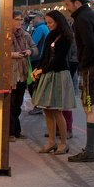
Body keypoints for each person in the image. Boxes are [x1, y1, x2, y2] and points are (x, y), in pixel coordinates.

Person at [63, 0, 94, 163]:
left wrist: (83, 64)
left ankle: (90, 150)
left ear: (77, 3)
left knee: (90, 105)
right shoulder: (93, 15)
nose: (66, 8)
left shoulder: (82, 19)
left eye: (68, 4)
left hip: (93, 67)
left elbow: (90, 44)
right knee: (92, 104)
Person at [31, 10, 75, 155]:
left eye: (50, 22)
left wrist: (41, 71)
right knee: (47, 109)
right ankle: (52, 142)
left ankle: (64, 142)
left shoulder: (65, 37)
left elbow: (58, 60)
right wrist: (37, 68)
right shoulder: (50, 35)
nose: (48, 25)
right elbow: (44, 56)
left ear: (58, 21)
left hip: (58, 74)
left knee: (56, 109)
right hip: (47, 73)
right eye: (47, 22)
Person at [9, 11, 37, 141]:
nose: (19, 22)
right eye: (16, 19)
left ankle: (17, 130)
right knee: (10, 104)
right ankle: (10, 132)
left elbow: (35, 49)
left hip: (22, 74)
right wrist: (12, 54)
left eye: (21, 20)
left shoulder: (25, 35)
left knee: (18, 104)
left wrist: (30, 51)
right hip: (10, 74)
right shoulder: (5, 35)